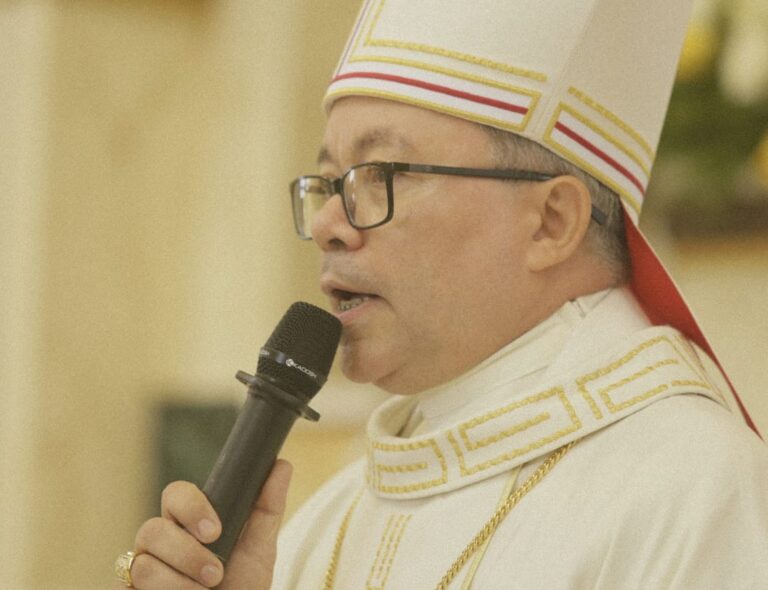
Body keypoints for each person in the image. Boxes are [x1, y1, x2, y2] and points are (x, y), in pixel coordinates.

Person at [114, 1, 768, 588]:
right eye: (329, 182)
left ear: (551, 222)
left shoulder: (692, 493)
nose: (328, 223)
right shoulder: (331, 521)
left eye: (379, 174)